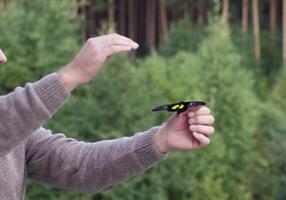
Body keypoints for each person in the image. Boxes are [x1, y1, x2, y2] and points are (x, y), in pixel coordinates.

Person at [0, 33, 215, 199]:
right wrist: (70, 76)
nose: (2, 57)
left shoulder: (18, 131)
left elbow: (81, 166)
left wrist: (160, 139)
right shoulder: (10, 123)